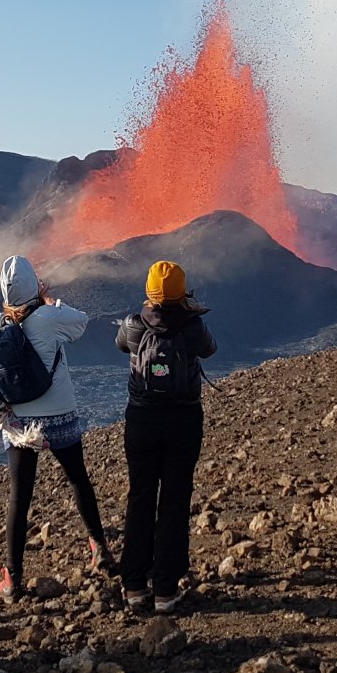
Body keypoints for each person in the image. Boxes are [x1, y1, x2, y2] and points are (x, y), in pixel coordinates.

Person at [0, 255, 113, 599]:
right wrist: (52, 301)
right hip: (60, 417)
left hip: (20, 424)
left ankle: (12, 579)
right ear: (34, 285)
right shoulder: (48, 318)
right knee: (78, 480)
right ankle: (100, 551)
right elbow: (81, 323)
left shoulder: (0, 325)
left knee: (19, 497)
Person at [114, 261, 217, 613]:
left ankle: (133, 586)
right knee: (174, 500)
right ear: (180, 291)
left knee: (140, 496)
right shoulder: (193, 326)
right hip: (183, 420)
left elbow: (121, 345)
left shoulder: (132, 324)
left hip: (141, 419)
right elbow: (209, 349)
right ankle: (166, 590)